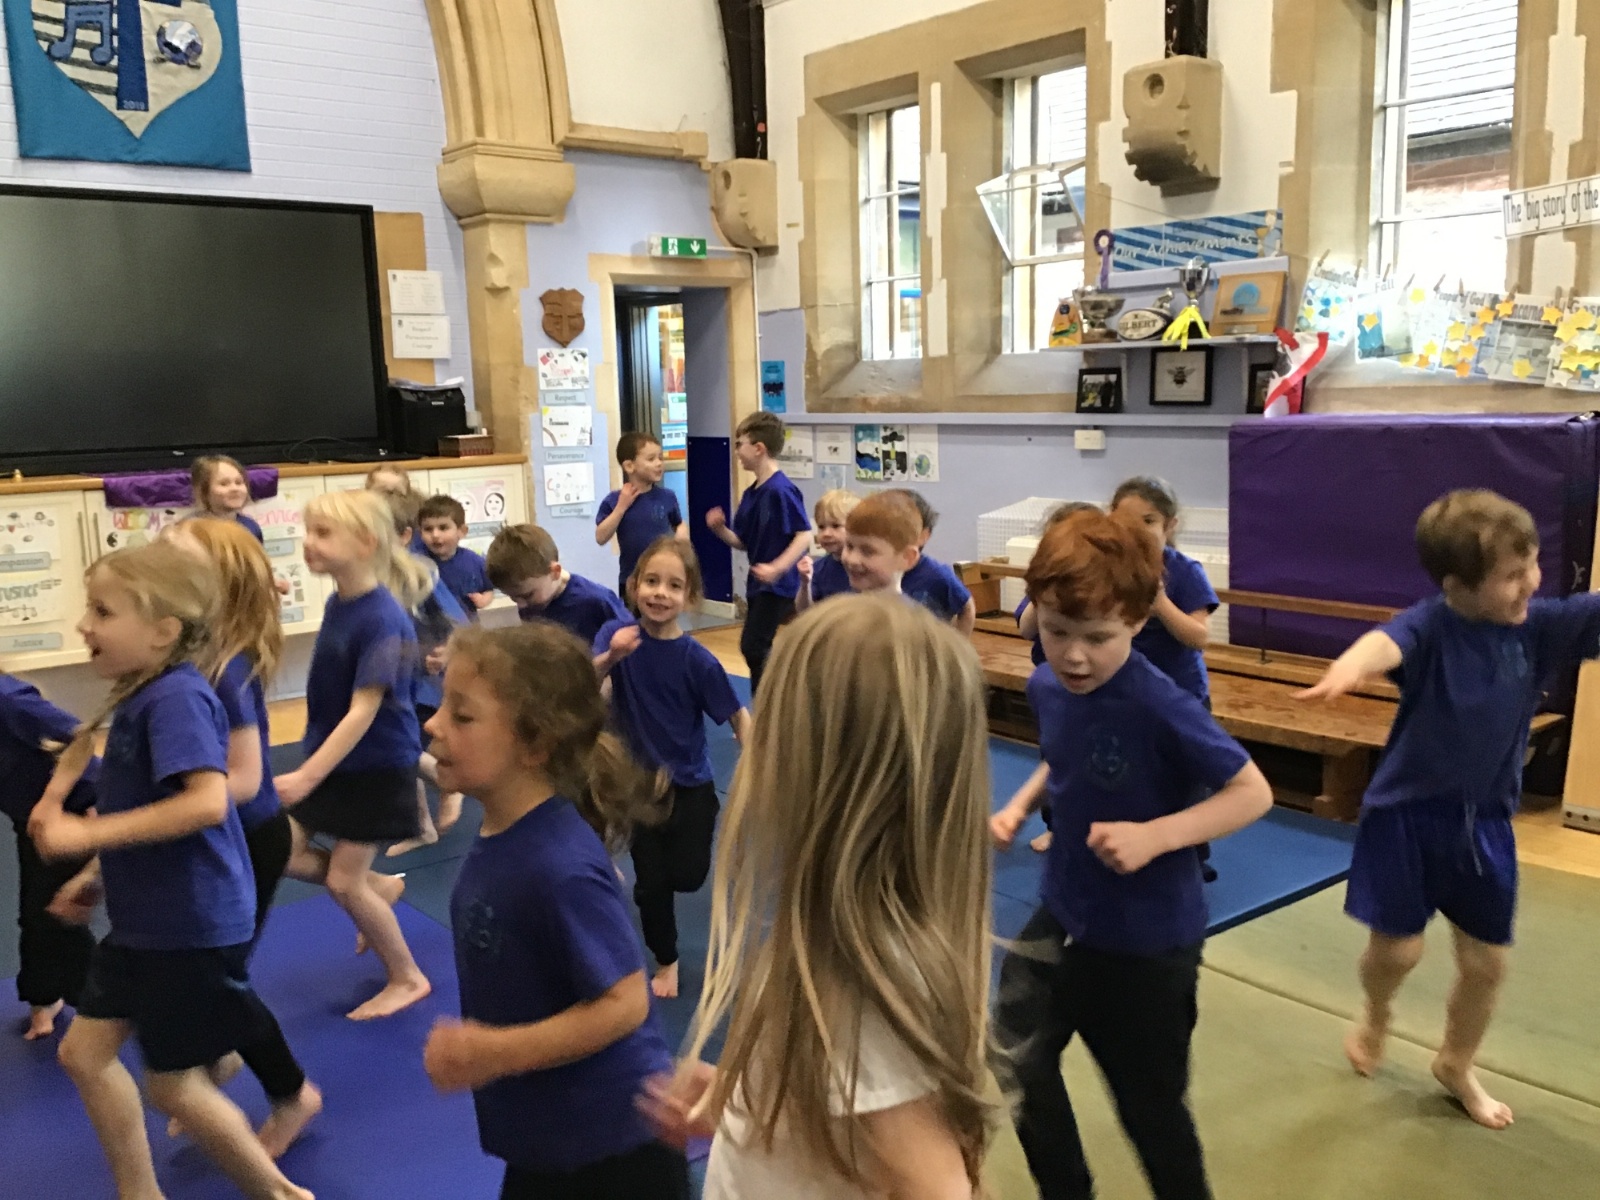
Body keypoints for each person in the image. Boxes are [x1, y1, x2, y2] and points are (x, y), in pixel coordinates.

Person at [642, 595, 993, 1199]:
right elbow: (839, 1101)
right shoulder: (827, 940)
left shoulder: (866, 986)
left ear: (814, 779)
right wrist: (739, 1098)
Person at [988, 508, 1272, 1200]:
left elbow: (1252, 792)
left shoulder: (1159, 705)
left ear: (1138, 622)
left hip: (1148, 944)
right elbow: (1066, 756)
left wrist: (1157, 835)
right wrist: (1021, 803)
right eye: (1057, 631)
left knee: (1150, 1107)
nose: (1074, 656)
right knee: (1013, 1057)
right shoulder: (1048, 685)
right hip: (1064, 914)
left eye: (1098, 638)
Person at [1298, 489, 1600, 1131]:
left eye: (1533, 564)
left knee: (1488, 965)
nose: (1531, 582)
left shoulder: (1536, 629)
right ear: (1458, 587)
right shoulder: (1434, 626)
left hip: (1485, 824)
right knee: (1399, 953)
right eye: (1512, 575)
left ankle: (1455, 1063)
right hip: (1406, 818)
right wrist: (1349, 667)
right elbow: (1386, 642)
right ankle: (1377, 1014)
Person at [29, 540, 313, 1200]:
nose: (84, 625)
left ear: (163, 630)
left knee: (173, 1084)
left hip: (186, 929)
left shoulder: (177, 699)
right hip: (145, 925)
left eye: (103, 612)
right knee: (83, 1054)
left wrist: (88, 834)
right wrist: (93, 867)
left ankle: (280, 1195)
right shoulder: (142, 691)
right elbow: (119, 780)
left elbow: (208, 801)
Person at [422, 623, 691, 1199]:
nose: (433, 725)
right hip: (550, 1139)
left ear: (534, 745)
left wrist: (494, 1051)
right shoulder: (506, 836)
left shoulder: (558, 868)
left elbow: (625, 1002)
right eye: (442, 706)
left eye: (462, 716)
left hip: (614, 1155)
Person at [174, 519, 324, 1157]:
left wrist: (169, 810)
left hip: (249, 838)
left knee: (219, 977)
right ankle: (216, 1057)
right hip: (219, 837)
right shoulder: (188, 658)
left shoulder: (227, 669)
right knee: (202, 970)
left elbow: (244, 779)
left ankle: (292, 1094)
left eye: (177, 564)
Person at [274, 489, 433, 1021]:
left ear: (365, 543)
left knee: (343, 881)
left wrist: (305, 776)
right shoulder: (339, 603)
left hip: (375, 767)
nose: (308, 543)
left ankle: (407, 978)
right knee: (280, 851)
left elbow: (365, 710)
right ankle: (379, 887)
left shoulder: (382, 618)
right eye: (308, 531)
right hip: (338, 761)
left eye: (323, 533)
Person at [593, 539, 750, 1000]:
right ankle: (667, 960)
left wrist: (756, 767)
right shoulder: (617, 638)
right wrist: (610, 658)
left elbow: (738, 716)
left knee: (689, 875)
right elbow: (584, 687)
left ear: (690, 597)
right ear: (633, 586)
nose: (660, 593)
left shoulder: (696, 660)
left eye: (674, 586)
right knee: (651, 884)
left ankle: (673, 895)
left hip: (691, 785)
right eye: (651, 581)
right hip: (639, 786)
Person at [0, 675, 97, 1040]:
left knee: (60, 912)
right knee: (36, 913)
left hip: (73, 811)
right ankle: (45, 999)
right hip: (29, 816)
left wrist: (53, 800)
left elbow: (82, 737)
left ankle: (98, 1006)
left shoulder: (9, 699)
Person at [377, 492, 468, 858]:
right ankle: (423, 824)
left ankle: (447, 782)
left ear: (403, 536)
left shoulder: (419, 572)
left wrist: (447, 651)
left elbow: (458, 622)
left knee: (401, 748)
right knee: (397, 751)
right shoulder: (369, 574)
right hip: (390, 676)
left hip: (418, 683)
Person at [1012, 501, 1101, 855]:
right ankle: (1058, 827)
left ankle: (1093, 826)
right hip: (1054, 687)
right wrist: (1043, 592)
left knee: (1093, 761)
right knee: (1054, 756)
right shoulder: (1042, 591)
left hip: (1091, 685)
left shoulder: (1100, 591)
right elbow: (1026, 628)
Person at [705, 412, 812, 696]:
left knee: (753, 645)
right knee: (755, 647)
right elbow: (743, 542)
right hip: (759, 583)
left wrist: (778, 567)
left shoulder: (781, 490)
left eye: (740, 444)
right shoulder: (752, 493)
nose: (736, 451)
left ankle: (773, 698)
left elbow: (804, 534)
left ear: (759, 448)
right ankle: (768, 701)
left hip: (778, 585)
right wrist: (720, 530)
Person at [486, 523, 628, 646]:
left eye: (528, 595)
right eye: (513, 597)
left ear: (555, 572)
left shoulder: (597, 601)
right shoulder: (531, 604)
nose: (521, 605)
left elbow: (630, 643)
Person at [595, 432, 689, 599]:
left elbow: (678, 523)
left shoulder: (667, 497)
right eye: (651, 459)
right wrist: (621, 507)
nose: (659, 463)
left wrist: (682, 533)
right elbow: (601, 537)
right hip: (631, 580)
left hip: (662, 579)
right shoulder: (614, 500)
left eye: (660, 458)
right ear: (629, 466)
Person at [888, 489, 976, 636]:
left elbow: (967, 608)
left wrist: (959, 644)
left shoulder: (937, 575)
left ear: (923, 535)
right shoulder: (869, 572)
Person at [419, 495, 495, 617]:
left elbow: (489, 589)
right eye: (428, 529)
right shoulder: (418, 563)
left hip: (466, 625)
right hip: (431, 626)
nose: (435, 535)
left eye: (443, 528)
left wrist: (483, 600)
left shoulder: (475, 562)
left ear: (462, 531)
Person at [838, 492, 922, 599]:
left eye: (868, 551)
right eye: (849, 546)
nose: (852, 559)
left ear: (907, 558)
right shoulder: (840, 607)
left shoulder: (908, 611)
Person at [792, 488, 857, 613]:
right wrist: (805, 584)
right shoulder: (818, 568)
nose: (826, 533)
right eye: (821, 527)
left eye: (835, 526)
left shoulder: (865, 567)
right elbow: (804, 611)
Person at [191, 455, 263, 542]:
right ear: (203, 491)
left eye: (239, 482)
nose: (234, 488)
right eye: (224, 484)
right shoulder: (192, 531)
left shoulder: (251, 526)